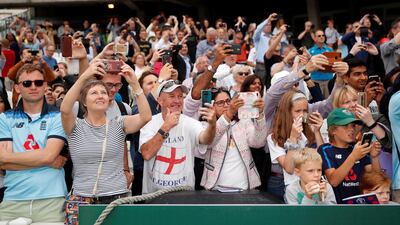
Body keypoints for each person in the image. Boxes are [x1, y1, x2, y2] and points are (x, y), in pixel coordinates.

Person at [60, 60, 151, 224]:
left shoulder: (119, 123)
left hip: (116, 197)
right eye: (94, 93)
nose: (100, 95)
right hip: (81, 198)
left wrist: (135, 84)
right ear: (84, 102)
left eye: (103, 92)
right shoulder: (75, 126)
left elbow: (146, 117)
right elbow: (65, 109)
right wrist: (85, 76)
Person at [0, 64, 67, 223]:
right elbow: (3, 161)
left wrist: (12, 158)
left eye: (38, 82)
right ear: (17, 88)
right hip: (12, 199)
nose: (33, 86)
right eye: (27, 83)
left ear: (45, 85)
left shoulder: (58, 116)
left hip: (52, 200)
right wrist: (46, 161)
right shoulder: (5, 118)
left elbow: (48, 155)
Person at [139, 79, 217, 193]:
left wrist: (212, 125)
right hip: (154, 195)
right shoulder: (150, 123)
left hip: (184, 193)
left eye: (180, 96)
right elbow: (146, 154)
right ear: (160, 100)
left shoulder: (190, 122)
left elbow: (206, 139)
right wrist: (166, 126)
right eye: (172, 96)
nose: (177, 100)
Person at [200, 88, 267, 190]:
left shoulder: (243, 121)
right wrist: (229, 114)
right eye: (221, 103)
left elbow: (258, 143)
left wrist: (260, 115)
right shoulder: (205, 125)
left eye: (228, 101)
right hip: (215, 187)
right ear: (212, 106)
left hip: (244, 186)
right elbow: (210, 142)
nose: (226, 105)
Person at [267, 90, 324, 198]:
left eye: (305, 111)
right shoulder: (274, 137)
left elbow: (322, 159)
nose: (302, 115)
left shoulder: (309, 130)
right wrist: (293, 138)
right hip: (283, 185)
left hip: (310, 182)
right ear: (286, 112)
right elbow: (289, 168)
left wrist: (317, 132)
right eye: (297, 111)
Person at [318, 108, 381, 204]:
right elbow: (334, 181)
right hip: (337, 208)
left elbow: (377, 181)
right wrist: (353, 157)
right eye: (345, 126)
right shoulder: (325, 149)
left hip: (360, 205)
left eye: (353, 125)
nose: (351, 129)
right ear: (333, 130)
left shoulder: (357, 149)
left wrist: (374, 157)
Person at [308, 29, 334, 98]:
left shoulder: (330, 50)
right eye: (319, 36)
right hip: (316, 80)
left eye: (323, 35)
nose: (321, 37)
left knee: (329, 105)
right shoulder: (310, 51)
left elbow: (333, 65)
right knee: (315, 102)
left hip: (328, 80)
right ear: (315, 38)